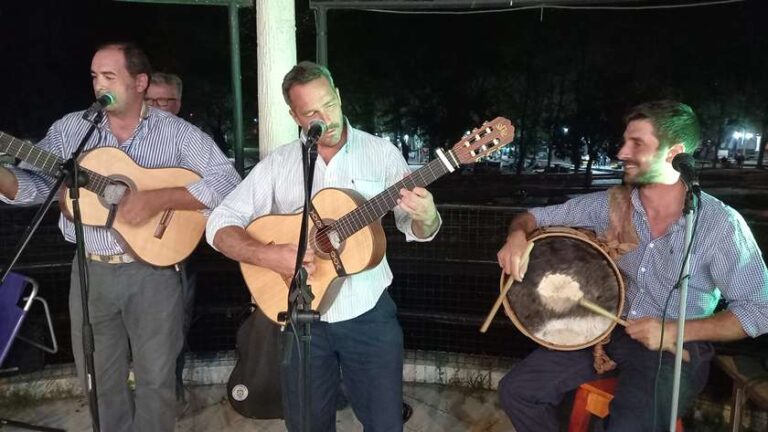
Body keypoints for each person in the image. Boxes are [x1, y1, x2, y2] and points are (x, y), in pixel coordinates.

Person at [0, 42, 240, 432]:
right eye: (95, 77)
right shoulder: (72, 129)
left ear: (140, 82)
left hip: (154, 273)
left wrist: (157, 198)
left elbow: (228, 183)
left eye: (109, 77)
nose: (99, 85)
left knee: (156, 379)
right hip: (91, 272)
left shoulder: (177, 133)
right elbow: (35, 186)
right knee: (98, 378)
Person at [496, 100, 768, 432]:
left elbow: (760, 308)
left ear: (675, 152)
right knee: (518, 392)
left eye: (636, 143)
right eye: (625, 141)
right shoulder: (610, 205)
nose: (622, 152)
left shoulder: (720, 225)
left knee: (628, 424)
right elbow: (532, 217)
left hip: (676, 347)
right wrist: (517, 236)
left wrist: (674, 330)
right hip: (606, 331)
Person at [206, 61, 441, 431]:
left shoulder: (382, 153)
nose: (325, 118)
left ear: (339, 96)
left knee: (384, 423)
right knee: (306, 425)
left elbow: (415, 225)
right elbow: (218, 223)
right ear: (294, 115)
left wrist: (426, 215)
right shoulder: (279, 164)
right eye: (311, 112)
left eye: (329, 104)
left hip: (369, 317)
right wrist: (269, 255)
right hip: (302, 324)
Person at [146, 71, 196, 403]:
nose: (161, 107)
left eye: (168, 100)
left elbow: (216, 186)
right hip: (130, 250)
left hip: (177, 249)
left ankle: (171, 394)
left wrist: (165, 199)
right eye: (153, 100)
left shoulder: (192, 140)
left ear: (178, 103)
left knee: (176, 327)